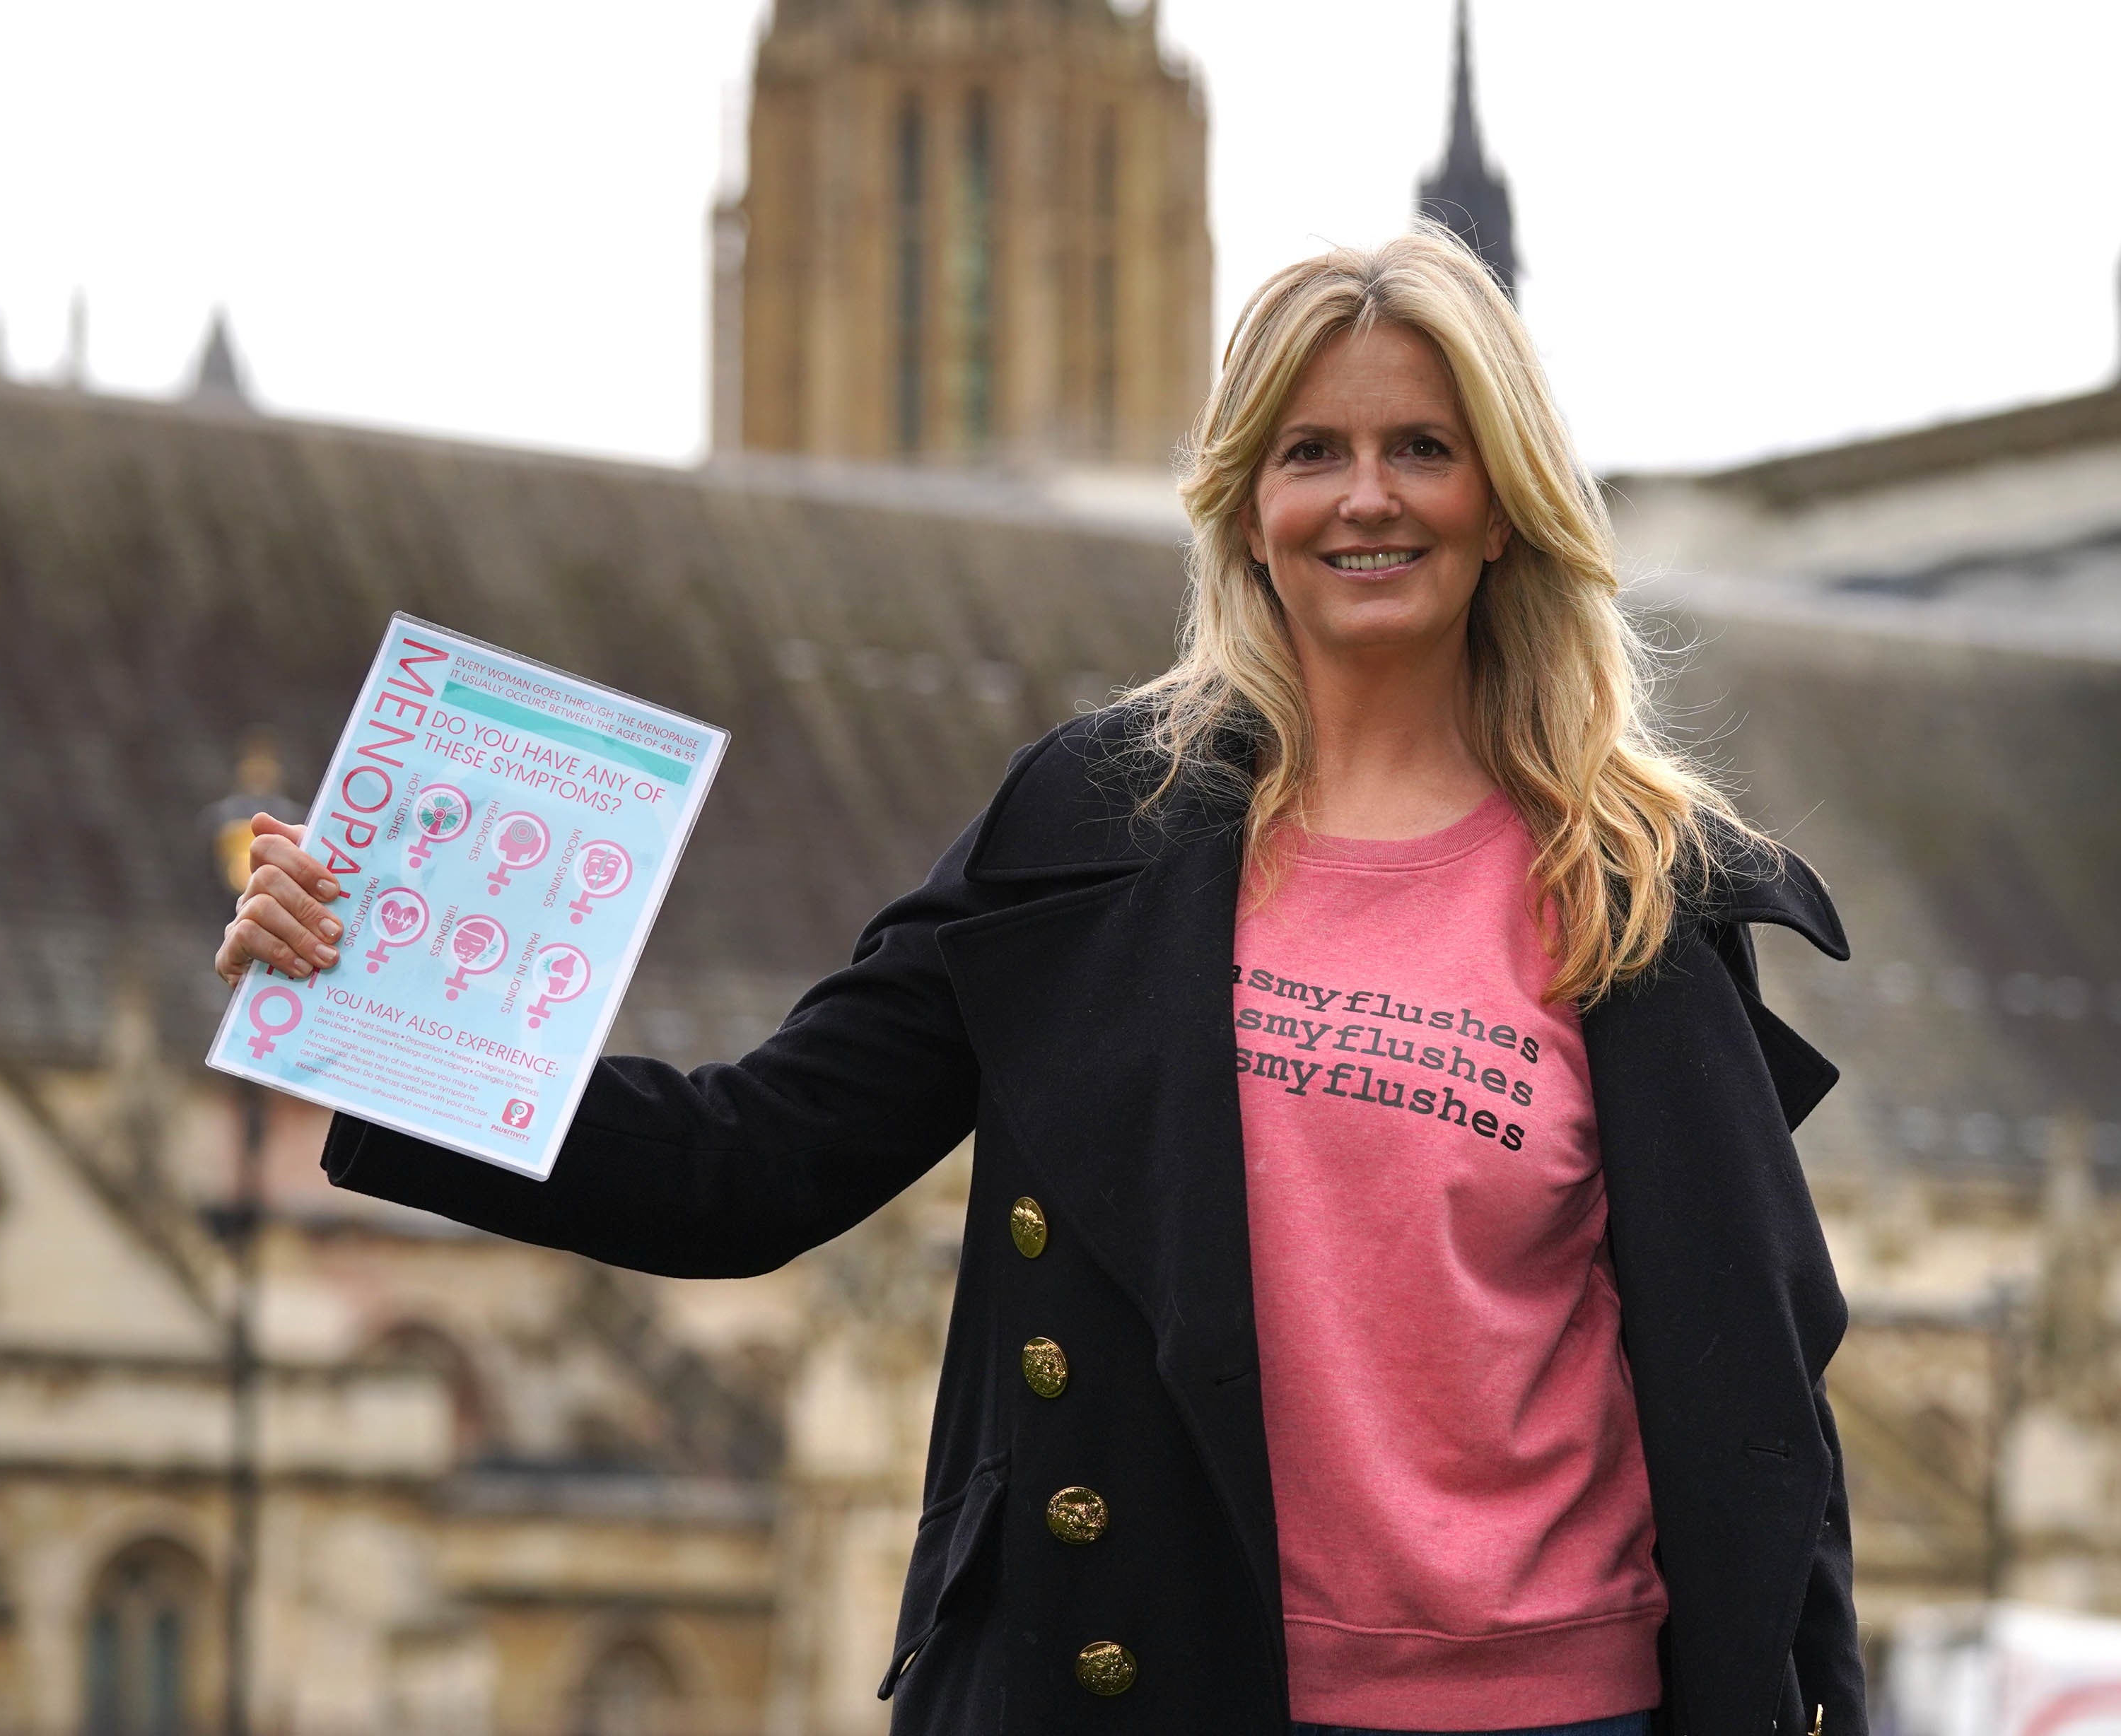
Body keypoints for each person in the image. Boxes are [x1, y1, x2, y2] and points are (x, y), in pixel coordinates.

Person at [217, 227, 1861, 1736]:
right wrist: (382, 1013)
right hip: (1162, 1685)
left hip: (1554, 1709)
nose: (1366, 497)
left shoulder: (1632, 879)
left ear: (1499, 500)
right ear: (1243, 503)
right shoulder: (1094, 823)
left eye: (1419, 448)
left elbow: (1758, 1391)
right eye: (1312, 453)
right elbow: (751, 1160)